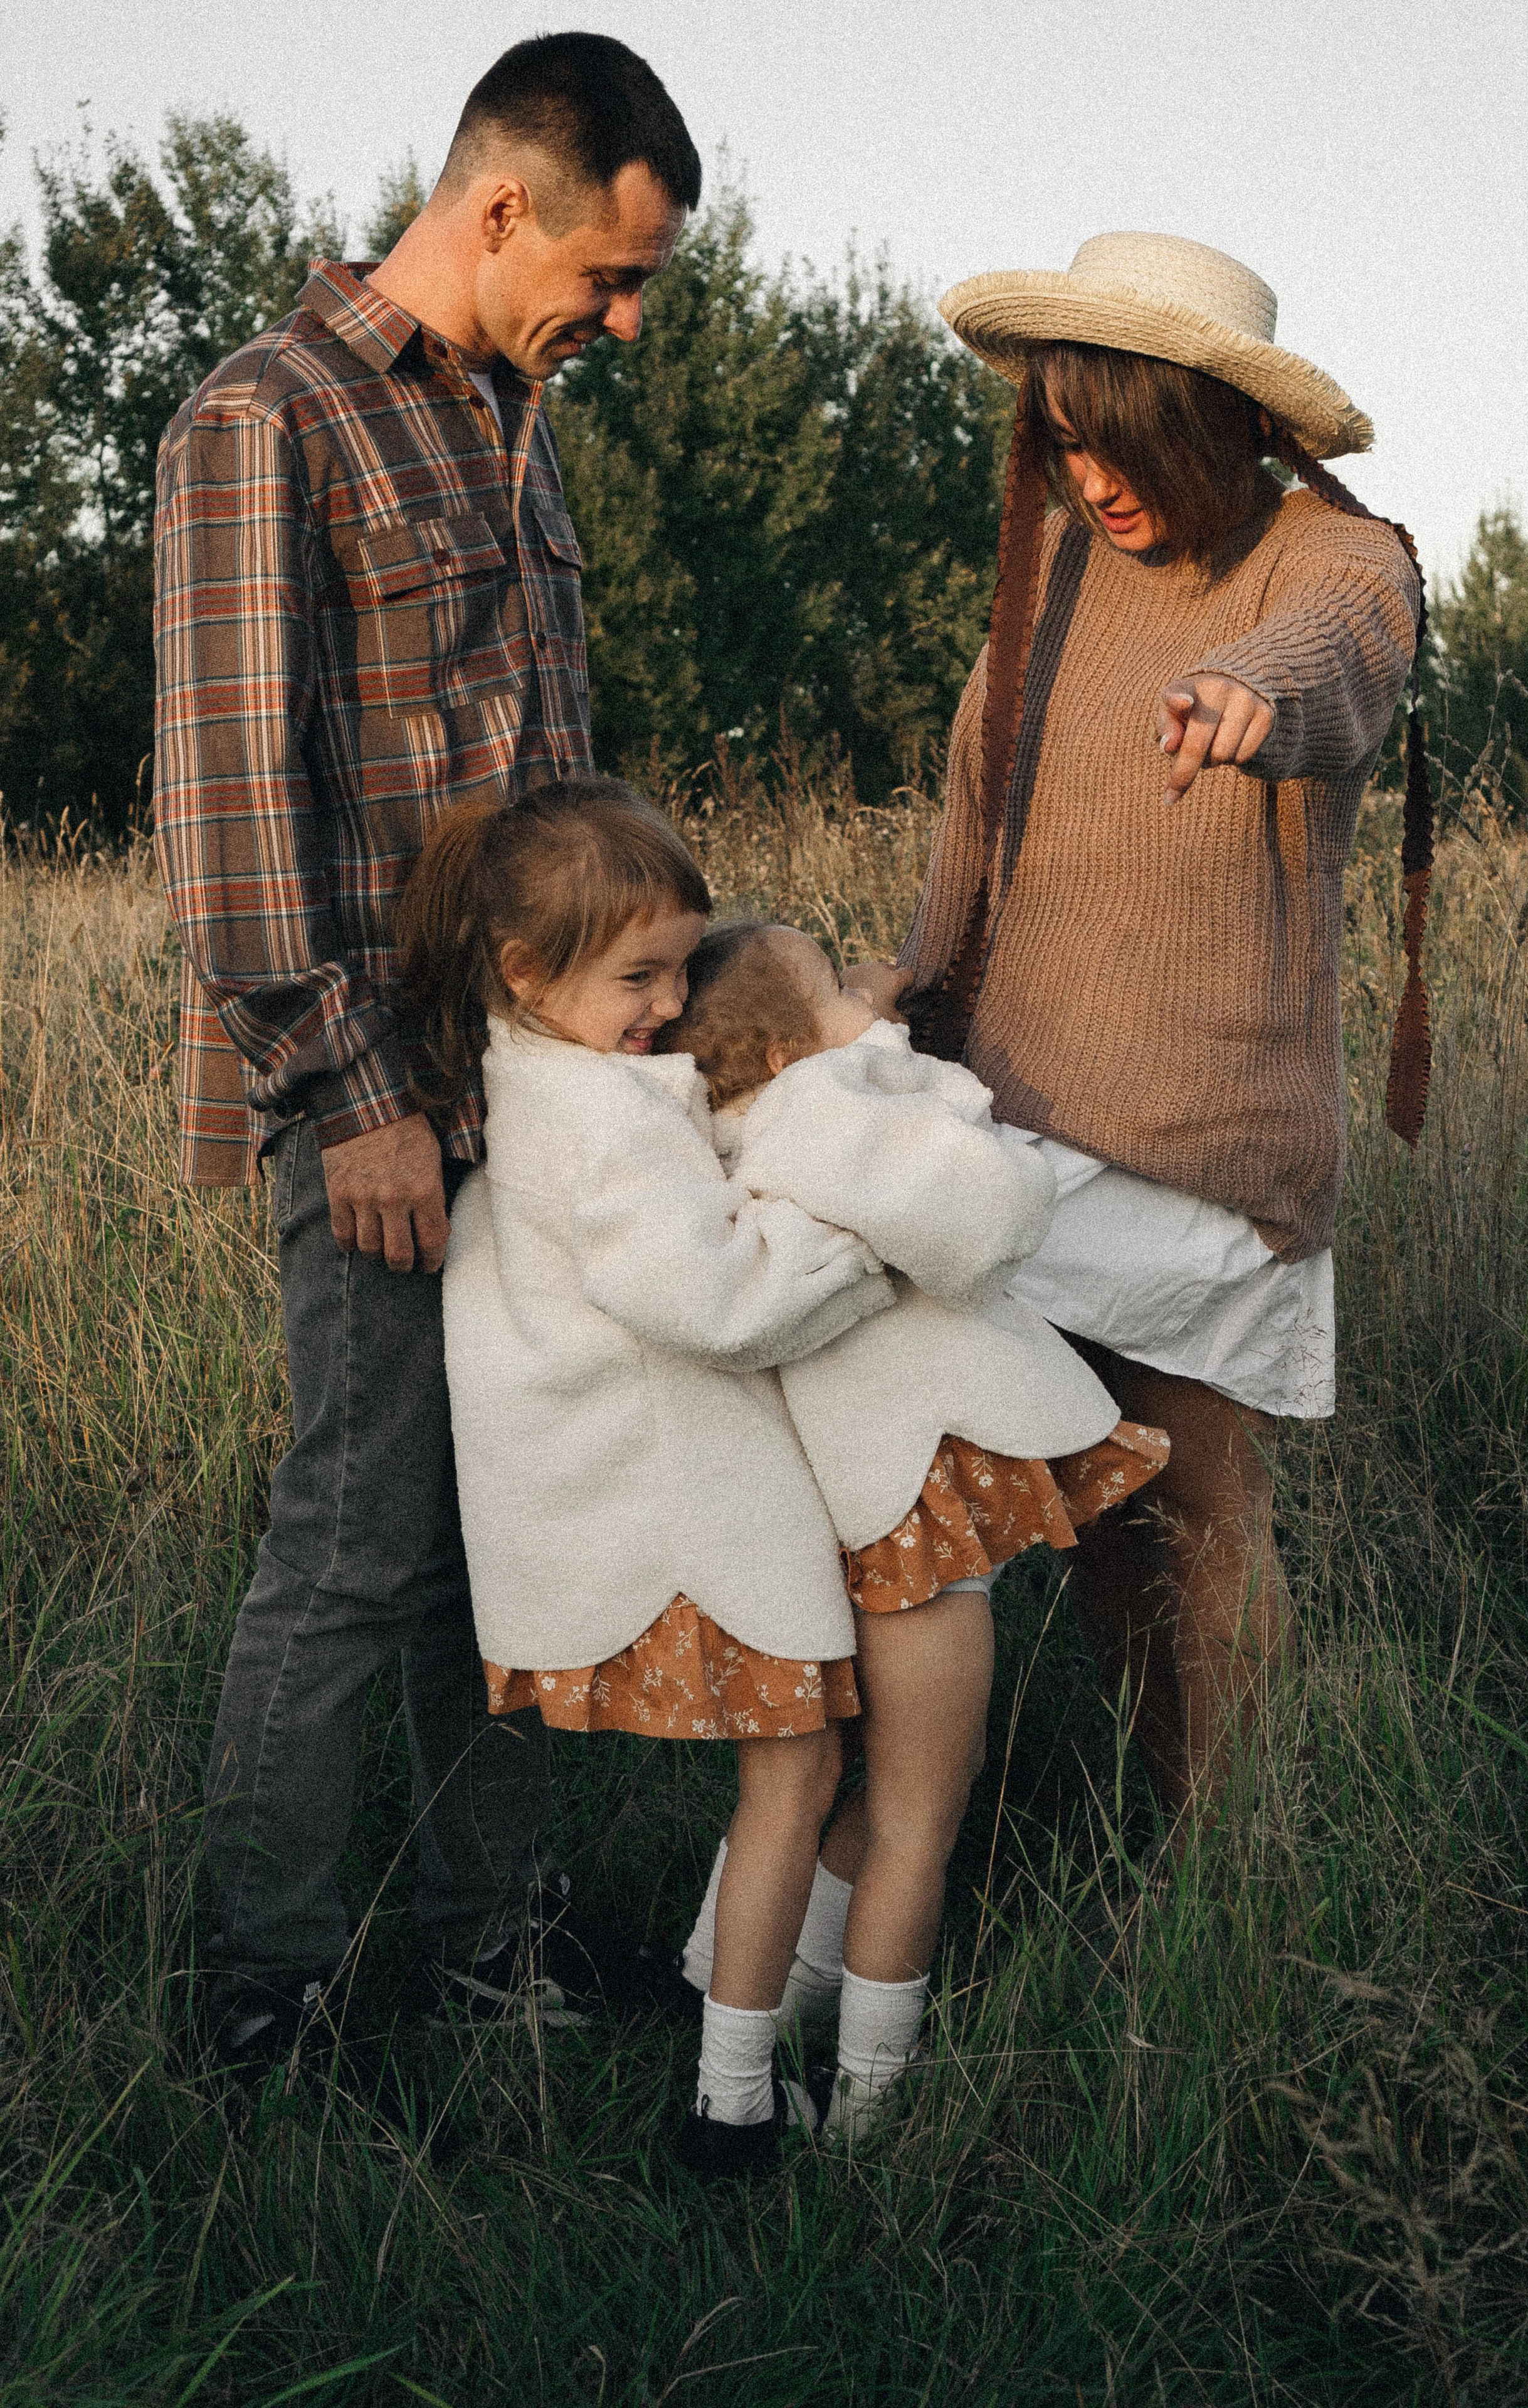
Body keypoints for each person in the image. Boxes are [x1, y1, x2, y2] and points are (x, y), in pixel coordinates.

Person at [150, 33, 700, 2076]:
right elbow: (226, 809)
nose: (627, 321)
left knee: (511, 1524)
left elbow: (533, 795)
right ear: (497, 209)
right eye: (613, 276)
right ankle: (262, 2010)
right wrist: (347, 1091)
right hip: (367, 1104)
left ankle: (501, 1950)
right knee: (359, 1541)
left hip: (531, 1100)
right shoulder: (264, 422)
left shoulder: (517, 426)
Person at [843, 233, 1423, 1842]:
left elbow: (1345, 650)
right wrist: (892, 1016)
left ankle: (1230, 1877)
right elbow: (973, 830)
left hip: (1198, 1150)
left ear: (1223, 423)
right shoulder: (1051, 578)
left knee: (1199, 1520)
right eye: (1062, 434)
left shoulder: (1323, 553)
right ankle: (1136, 1830)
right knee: (1096, 1531)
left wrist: (1250, 688)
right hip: (1015, 1136)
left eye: (1124, 437)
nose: (1091, 474)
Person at [396, 781, 895, 2176]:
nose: (671, 1003)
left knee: (799, 1769)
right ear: (523, 971)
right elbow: (723, 1304)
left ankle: (716, 1990)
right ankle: (728, 2106)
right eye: (640, 974)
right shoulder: (596, 1123)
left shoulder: (532, 1078)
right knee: (794, 1771)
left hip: (653, 1494)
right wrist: (871, 1247)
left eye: (684, 964)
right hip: (685, 1513)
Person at [660, 921, 1168, 2134]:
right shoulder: (825, 1116)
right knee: (920, 1818)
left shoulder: (733, 1147)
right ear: (790, 1048)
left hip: (840, 1516)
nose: (863, 986)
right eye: (835, 978)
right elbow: (981, 1212)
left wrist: (855, 1024)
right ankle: (872, 2111)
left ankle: (764, 2016)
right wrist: (886, 1043)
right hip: (915, 1516)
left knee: (847, 1795)